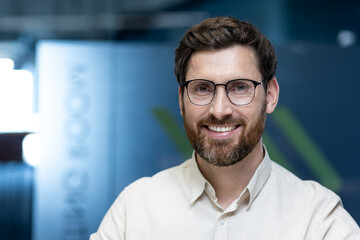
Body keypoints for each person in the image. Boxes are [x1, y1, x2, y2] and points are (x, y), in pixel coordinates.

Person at [90, 16, 360, 239]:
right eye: (202, 89)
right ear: (181, 101)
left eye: (240, 87)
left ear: (271, 95)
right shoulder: (134, 210)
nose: (219, 110)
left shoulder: (318, 219)